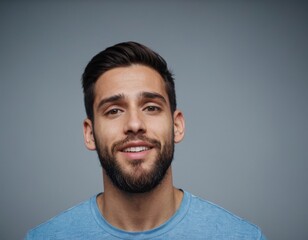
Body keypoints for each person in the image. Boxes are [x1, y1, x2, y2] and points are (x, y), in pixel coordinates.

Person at [25, 41, 267, 239]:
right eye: (114, 111)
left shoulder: (242, 237)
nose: (134, 125)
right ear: (90, 133)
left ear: (177, 125)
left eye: (151, 107)